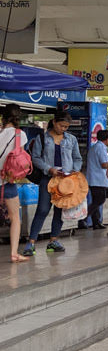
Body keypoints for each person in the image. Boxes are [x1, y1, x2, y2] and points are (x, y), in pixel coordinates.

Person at [24, 111, 82, 256]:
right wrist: (48, 169)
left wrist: (74, 172)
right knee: (42, 209)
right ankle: (31, 243)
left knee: (59, 210)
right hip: (48, 178)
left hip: (65, 180)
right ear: (54, 122)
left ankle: (53, 241)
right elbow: (35, 158)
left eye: (66, 127)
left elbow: (77, 158)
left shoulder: (71, 139)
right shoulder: (42, 138)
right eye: (62, 126)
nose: (64, 129)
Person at [0, 104, 29, 262]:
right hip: (7, 181)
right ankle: (13, 253)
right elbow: (19, 161)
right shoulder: (20, 135)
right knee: (15, 218)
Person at [84, 130, 108, 230]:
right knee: (100, 200)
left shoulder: (95, 146)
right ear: (107, 139)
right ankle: (84, 216)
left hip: (94, 178)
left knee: (96, 200)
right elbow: (104, 164)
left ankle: (96, 222)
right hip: (98, 179)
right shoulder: (101, 148)